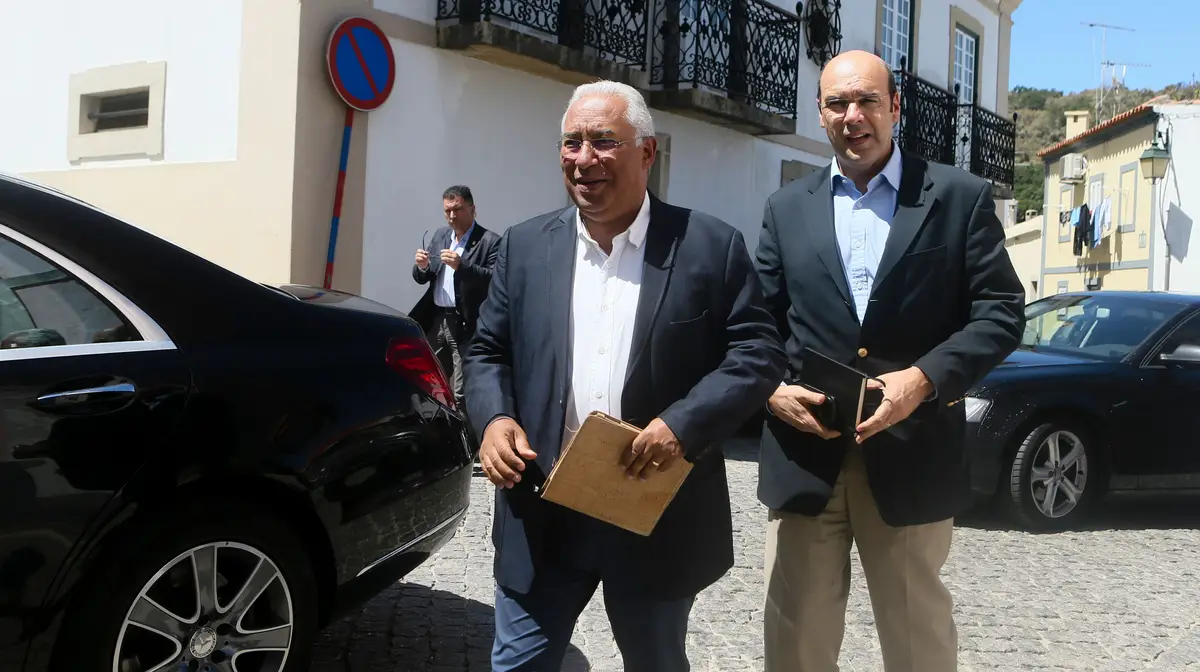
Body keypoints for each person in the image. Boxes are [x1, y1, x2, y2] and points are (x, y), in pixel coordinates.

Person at [465, 80, 787, 671]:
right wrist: (493, 419)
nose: (583, 159)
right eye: (572, 142)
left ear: (647, 152)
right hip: (542, 509)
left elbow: (758, 353)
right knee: (519, 664)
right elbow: (487, 351)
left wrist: (683, 425)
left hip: (653, 513)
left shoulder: (709, 246)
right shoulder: (524, 246)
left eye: (603, 141)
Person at [754, 50, 1025, 672]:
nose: (853, 116)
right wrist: (771, 388)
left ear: (895, 107)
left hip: (913, 451)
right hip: (806, 457)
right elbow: (755, 325)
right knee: (795, 646)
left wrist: (924, 379)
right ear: (820, 113)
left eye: (868, 100)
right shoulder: (785, 208)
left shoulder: (958, 198)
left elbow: (1002, 312)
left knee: (917, 646)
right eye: (837, 103)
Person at [411, 185, 500, 408]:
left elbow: (494, 279)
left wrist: (462, 266)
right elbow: (424, 276)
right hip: (437, 319)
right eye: (447, 211)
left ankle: (464, 428)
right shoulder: (441, 235)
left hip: (465, 323)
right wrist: (422, 266)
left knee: (461, 392)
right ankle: (437, 425)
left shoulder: (489, 241)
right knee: (429, 382)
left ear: (472, 209)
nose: (452, 216)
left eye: (457, 209)